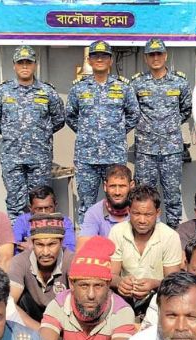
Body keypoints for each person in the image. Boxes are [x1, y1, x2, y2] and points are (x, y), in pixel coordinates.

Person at [40, 236, 136, 340]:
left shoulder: (122, 311)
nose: (91, 295)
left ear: (108, 285)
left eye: (98, 286)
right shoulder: (59, 304)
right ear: (72, 284)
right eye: (84, 285)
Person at [0, 45, 65, 226]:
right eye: (20, 62)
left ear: (35, 65)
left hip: (39, 157)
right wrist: (12, 134)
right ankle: (17, 236)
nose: (24, 66)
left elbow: (59, 119)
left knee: (41, 201)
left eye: (28, 62)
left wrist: (40, 134)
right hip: (12, 157)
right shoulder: (3, 91)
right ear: (14, 65)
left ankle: (41, 235)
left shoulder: (47, 91)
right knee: (15, 202)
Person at [66, 40, 140, 223]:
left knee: (118, 203)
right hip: (87, 157)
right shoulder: (78, 88)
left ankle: (117, 237)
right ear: (89, 60)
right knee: (86, 204)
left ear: (111, 60)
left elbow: (134, 114)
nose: (100, 59)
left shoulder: (123, 87)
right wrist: (87, 132)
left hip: (114, 155)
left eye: (104, 56)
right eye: (95, 56)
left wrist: (116, 132)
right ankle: (88, 238)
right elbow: (70, 116)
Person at [130, 37, 192, 229]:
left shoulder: (179, 82)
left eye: (159, 54)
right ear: (145, 58)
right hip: (145, 151)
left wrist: (169, 126)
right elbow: (132, 110)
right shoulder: (137, 83)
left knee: (172, 195)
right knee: (143, 195)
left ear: (165, 56)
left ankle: (173, 233)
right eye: (151, 55)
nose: (155, 58)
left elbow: (186, 109)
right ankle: (146, 232)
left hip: (171, 150)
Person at [109, 185, 182, 314]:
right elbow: (111, 275)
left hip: (158, 299)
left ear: (158, 213)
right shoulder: (117, 232)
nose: (142, 220)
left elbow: (173, 281)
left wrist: (154, 284)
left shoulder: (170, 236)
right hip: (124, 299)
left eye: (148, 214)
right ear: (128, 211)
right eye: (136, 214)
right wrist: (120, 282)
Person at [9, 213, 74, 325]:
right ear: (32, 243)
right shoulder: (20, 261)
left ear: (61, 242)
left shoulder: (71, 260)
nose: (45, 252)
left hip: (65, 319)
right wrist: (40, 331)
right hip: (32, 321)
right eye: (40, 245)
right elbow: (8, 304)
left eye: (51, 244)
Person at [77, 164, 134, 249]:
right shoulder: (94, 213)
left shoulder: (142, 210)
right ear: (105, 186)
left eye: (122, 186)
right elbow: (83, 248)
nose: (117, 192)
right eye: (112, 186)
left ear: (131, 185)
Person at [12, 185, 76, 254]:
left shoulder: (64, 221)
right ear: (30, 208)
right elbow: (14, 245)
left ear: (55, 205)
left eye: (48, 208)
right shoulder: (23, 221)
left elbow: (71, 248)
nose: (44, 212)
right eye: (39, 209)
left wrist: (34, 248)